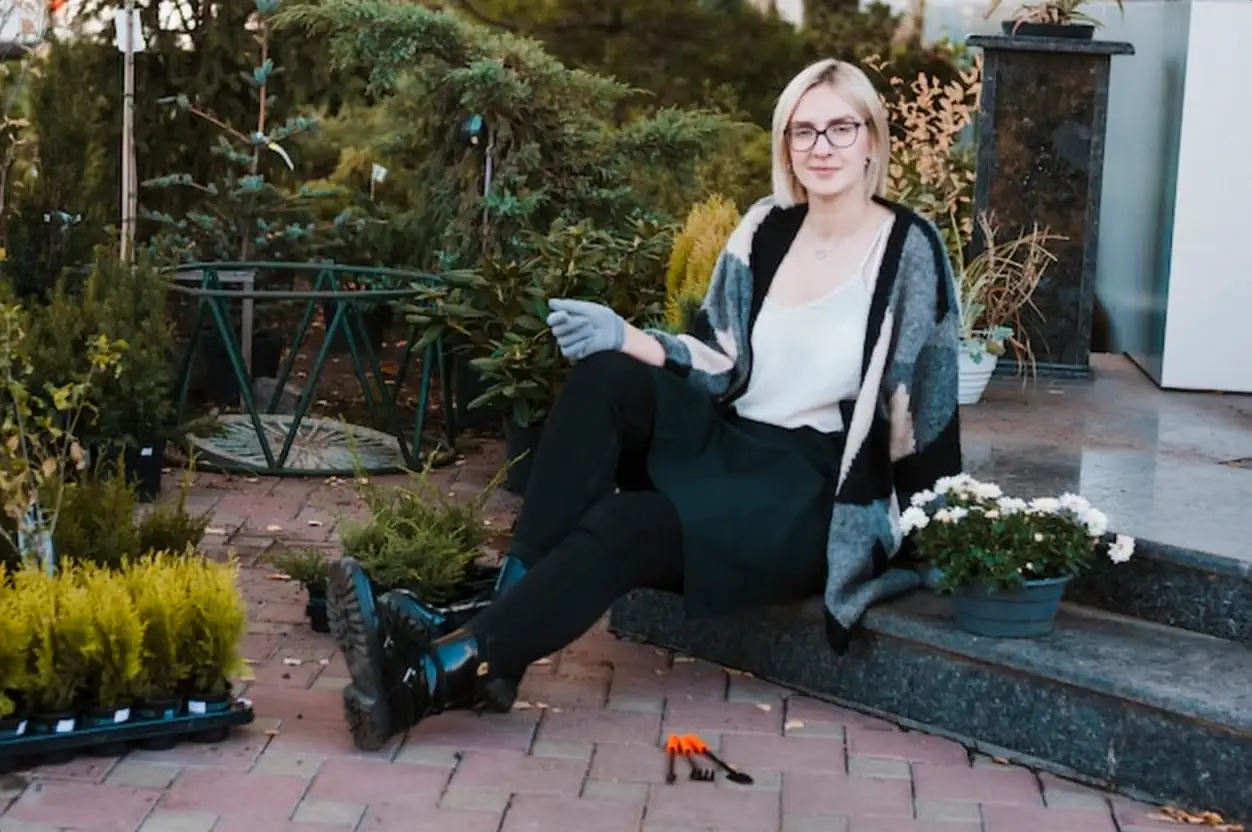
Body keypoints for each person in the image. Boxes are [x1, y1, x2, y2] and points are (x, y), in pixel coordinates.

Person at [326, 57, 964, 751]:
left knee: (629, 523)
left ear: (872, 138)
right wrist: (625, 336)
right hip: (734, 437)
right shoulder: (765, 228)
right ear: (785, 145)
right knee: (606, 375)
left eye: (841, 127)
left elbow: (921, 409)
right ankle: (500, 624)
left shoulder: (910, 249)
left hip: (809, 487)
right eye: (802, 131)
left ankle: (430, 675)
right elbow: (718, 354)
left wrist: (938, 530)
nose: (822, 146)